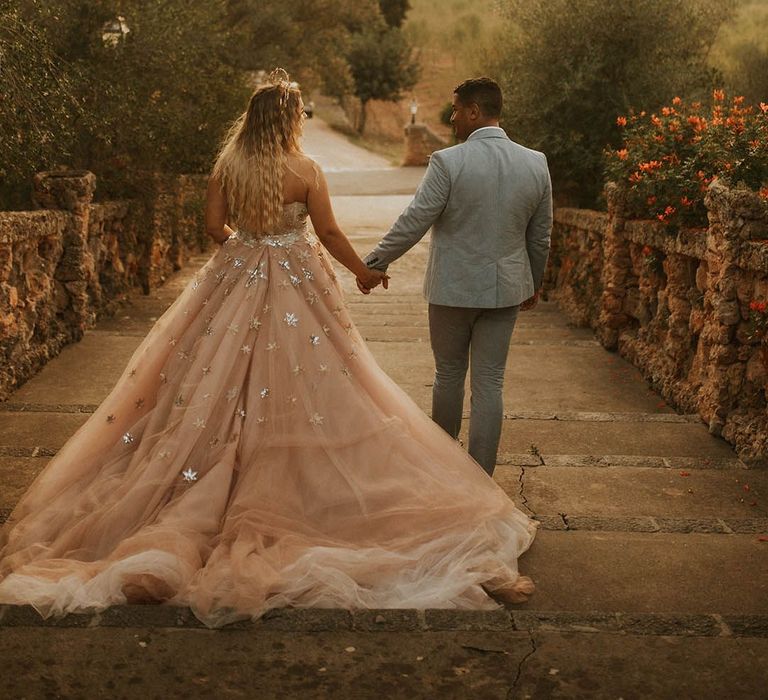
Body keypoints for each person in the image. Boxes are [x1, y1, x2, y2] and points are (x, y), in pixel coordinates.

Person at [0, 70, 537, 629]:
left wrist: (249, 247)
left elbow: (213, 226)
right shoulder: (305, 169)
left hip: (235, 276)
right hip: (299, 283)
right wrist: (362, 271)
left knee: (209, 376)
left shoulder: (228, 167)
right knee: (320, 380)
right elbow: (327, 232)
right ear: (288, 121)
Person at [362, 77, 553, 477]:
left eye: (455, 111)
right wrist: (532, 282)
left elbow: (416, 219)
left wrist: (377, 261)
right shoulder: (535, 162)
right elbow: (540, 235)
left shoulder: (449, 162)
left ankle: (445, 472)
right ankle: (482, 477)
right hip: (504, 292)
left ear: (473, 112)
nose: (452, 119)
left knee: (448, 374)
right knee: (490, 383)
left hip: (452, 290)